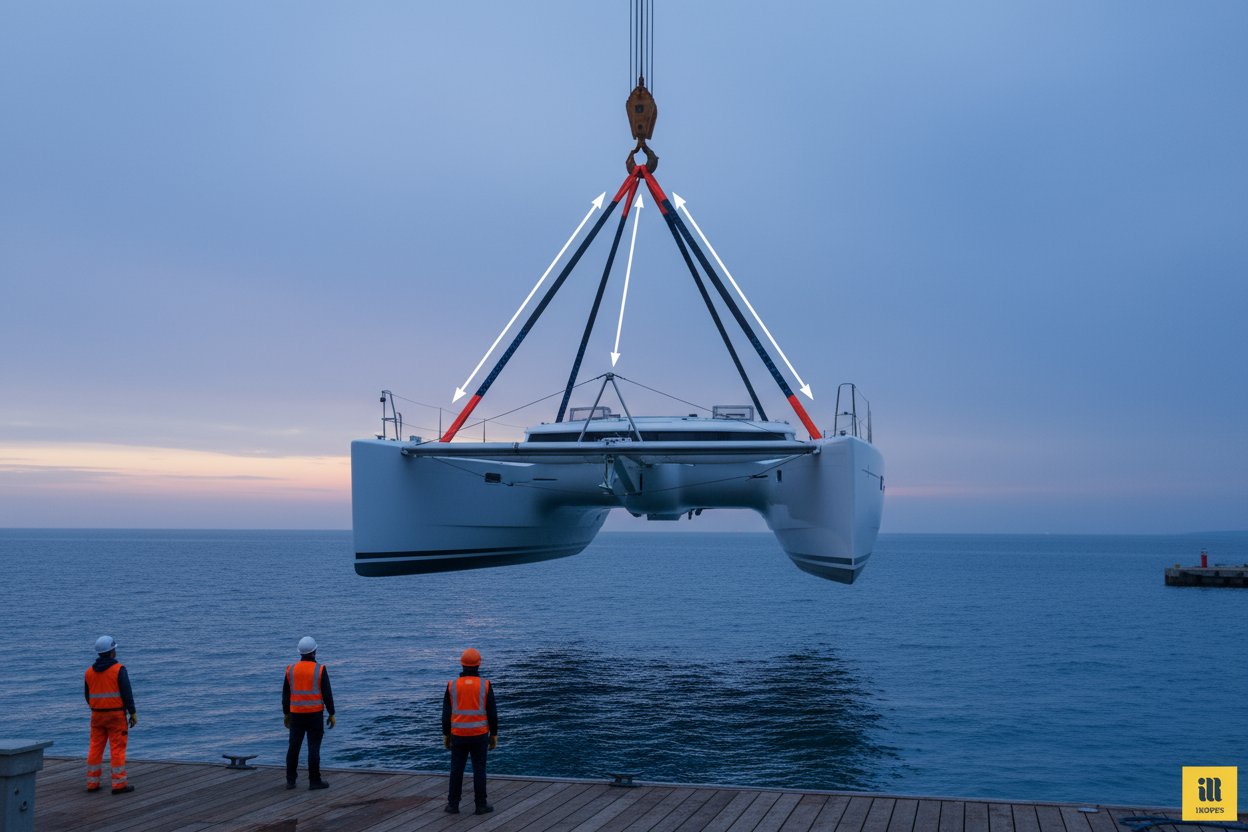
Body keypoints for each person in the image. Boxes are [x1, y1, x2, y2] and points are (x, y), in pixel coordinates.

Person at [442, 647, 498, 815]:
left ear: (462, 664)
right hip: (480, 735)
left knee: (456, 770)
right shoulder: (485, 685)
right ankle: (481, 805)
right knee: (479, 770)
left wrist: (446, 734)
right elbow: (492, 713)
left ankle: (453, 805)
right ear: (478, 665)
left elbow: (446, 714)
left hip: (458, 735)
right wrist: (493, 734)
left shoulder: (452, 685)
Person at [84, 635, 137, 794]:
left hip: (97, 715)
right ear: (112, 652)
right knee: (117, 748)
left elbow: (87, 695)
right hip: (115, 715)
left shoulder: (89, 672)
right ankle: (119, 784)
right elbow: (127, 694)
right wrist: (132, 713)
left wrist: (98, 707)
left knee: (95, 748)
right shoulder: (118, 669)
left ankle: (92, 783)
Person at [282, 636, 335, 790]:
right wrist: (331, 713)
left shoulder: (290, 670)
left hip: (296, 714)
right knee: (313, 748)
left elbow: (286, 695)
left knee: (293, 748)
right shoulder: (320, 669)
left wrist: (286, 713)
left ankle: (290, 781)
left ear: (300, 653)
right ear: (314, 651)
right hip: (315, 714)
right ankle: (314, 781)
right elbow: (327, 693)